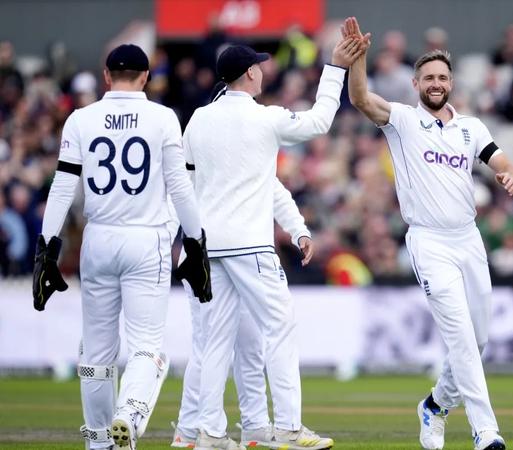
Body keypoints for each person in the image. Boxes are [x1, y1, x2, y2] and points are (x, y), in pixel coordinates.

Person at [180, 33, 365, 450]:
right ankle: (288, 427)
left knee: (216, 341)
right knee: (280, 329)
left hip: (210, 247)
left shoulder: (197, 119)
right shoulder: (265, 118)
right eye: (259, 65)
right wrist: (335, 67)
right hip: (249, 246)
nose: (264, 70)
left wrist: (296, 226)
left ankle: (209, 432)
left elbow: (189, 183)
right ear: (249, 72)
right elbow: (320, 121)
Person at [344, 17, 513, 450]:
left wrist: (510, 175)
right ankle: (486, 432)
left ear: (451, 82)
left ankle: (435, 406)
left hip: (468, 239)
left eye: (442, 77)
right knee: (460, 337)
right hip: (428, 241)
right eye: (429, 78)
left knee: (477, 341)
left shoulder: (471, 128)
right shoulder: (403, 120)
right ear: (416, 83)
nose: (436, 83)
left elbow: (502, 161)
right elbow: (362, 99)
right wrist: (359, 60)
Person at [32, 44, 211, 450]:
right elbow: (180, 186)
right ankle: (129, 413)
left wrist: (47, 247)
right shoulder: (163, 117)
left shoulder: (81, 119)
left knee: (96, 354)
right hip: (146, 237)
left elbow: (62, 187)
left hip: (98, 237)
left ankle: (98, 443)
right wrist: (196, 242)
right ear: (146, 77)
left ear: (107, 76)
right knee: (146, 345)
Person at [171, 177, 314, 449]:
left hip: (203, 251)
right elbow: (273, 188)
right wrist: (298, 229)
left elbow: (177, 188)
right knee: (234, 344)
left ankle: (197, 430)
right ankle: (217, 428)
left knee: (227, 344)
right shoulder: (244, 141)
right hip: (238, 250)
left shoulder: (197, 137)